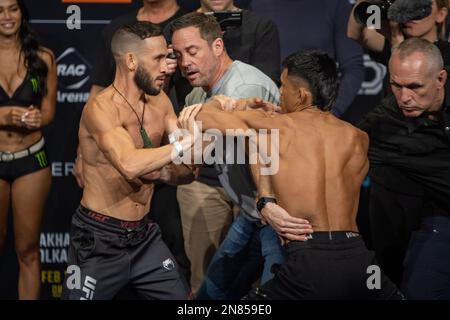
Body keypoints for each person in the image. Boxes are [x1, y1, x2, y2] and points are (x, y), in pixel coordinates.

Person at [181, 50, 403, 299]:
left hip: (307, 262)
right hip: (359, 261)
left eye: (283, 85)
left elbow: (200, 117)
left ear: (301, 94)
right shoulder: (358, 138)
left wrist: (232, 104)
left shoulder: (274, 127)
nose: (279, 92)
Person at [62, 22, 198, 300]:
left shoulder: (160, 102)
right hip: (99, 239)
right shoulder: (101, 108)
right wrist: (184, 144)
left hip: (144, 236)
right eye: (158, 58)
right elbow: (129, 164)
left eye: (168, 56)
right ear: (131, 60)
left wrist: (165, 173)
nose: (167, 66)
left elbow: (189, 170)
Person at [171, 12, 283, 297]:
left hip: (277, 215)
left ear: (218, 47)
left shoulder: (244, 88)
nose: (185, 63)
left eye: (192, 51)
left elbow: (191, 151)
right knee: (211, 293)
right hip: (251, 213)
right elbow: (184, 162)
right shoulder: (197, 95)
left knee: (271, 295)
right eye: (179, 54)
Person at [348, 0, 450, 285]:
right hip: (403, 189)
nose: (405, 96)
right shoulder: (390, 112)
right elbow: (348, 141)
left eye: (416, 86)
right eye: (397, 84)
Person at [0, 0, 57, 299]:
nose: (6, 17)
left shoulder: (43, 57)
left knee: (28, 251)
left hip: (31, 160)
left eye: (13, 8)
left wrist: (38, 118)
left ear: (22, 12)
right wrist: (4, 116)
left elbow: (49, 113)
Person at [250, 0, 364, 117]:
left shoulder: (335, 4)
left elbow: (353, 67)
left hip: (318, 118)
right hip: (269, 115)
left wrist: (330, 114)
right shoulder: (256, 3)